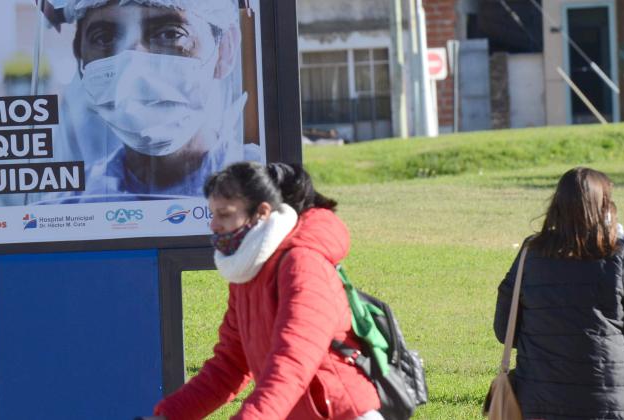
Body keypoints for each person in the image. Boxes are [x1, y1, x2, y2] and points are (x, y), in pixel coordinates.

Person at [142, 162, 381, 419]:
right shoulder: (247, 270)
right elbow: (230, 366)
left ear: (261, 213)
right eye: (212, 214)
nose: (213, 225)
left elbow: (292, 365)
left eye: (224, 214)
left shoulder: (302, 264)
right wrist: (168, 415)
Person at [37, 0, 259, 202]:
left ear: (224, 49)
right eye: (104, 38)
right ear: (80, 60)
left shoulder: (267, 188)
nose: (134, 71)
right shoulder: (66, 208)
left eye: (170, 34)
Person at [494, 167, 624, 419]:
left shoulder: (530, 254)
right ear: (606, 207)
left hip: (539, 401)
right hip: (615, 404)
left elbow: (503, 329)